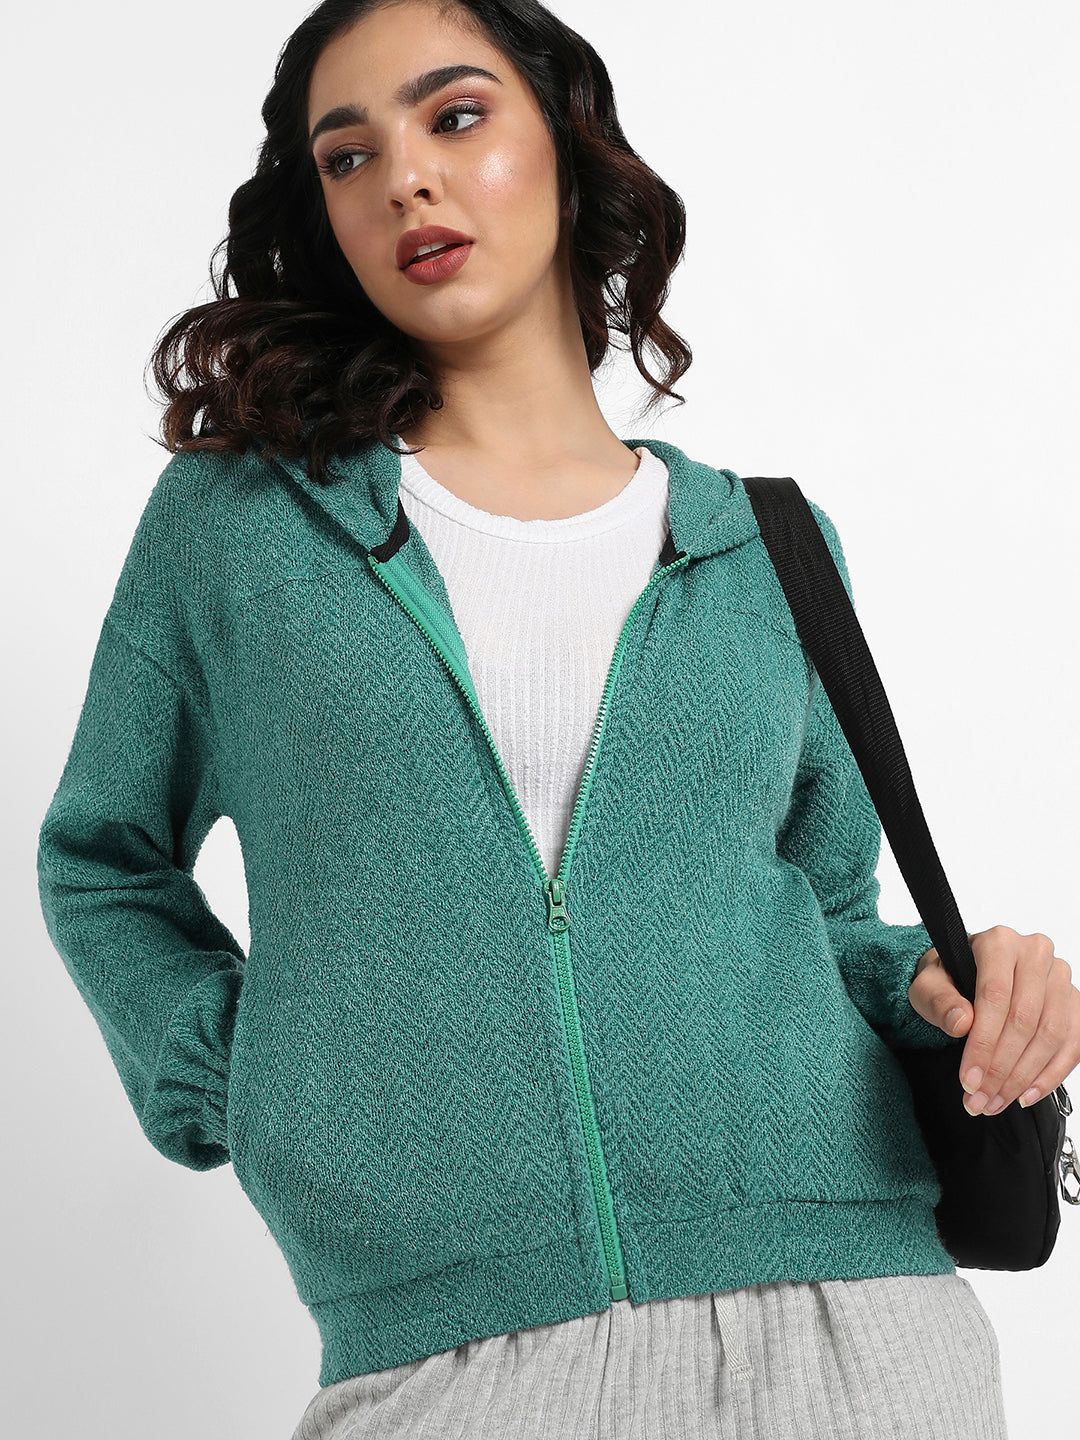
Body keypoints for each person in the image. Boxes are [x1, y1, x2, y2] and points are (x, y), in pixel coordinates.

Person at [36, 1, 1078, 1436]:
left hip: (857, 1324)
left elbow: (828, 918)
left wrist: (947, 984)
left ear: (569, 152)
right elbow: (102, 857)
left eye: (456, 116)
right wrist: (260, 1076)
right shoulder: (240, 533)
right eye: (349, 156)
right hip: (446, 1352)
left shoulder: (770, 548)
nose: (405, 177)